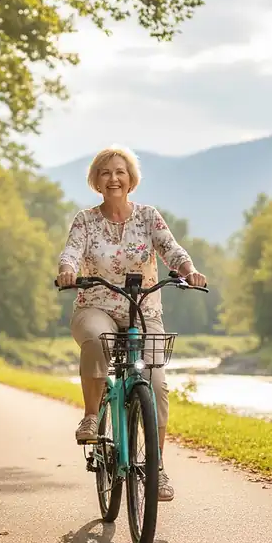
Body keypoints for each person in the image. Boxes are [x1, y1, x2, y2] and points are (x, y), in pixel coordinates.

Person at [56, 146, 206, 502]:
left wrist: (189, 271)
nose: (114, 179)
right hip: (96, 304)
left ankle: (156, 466)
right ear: (96, 180)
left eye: (120, 172)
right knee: (96, 337)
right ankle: (92, 417)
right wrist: (67, 271)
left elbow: (172, 249)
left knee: (155, 383)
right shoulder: (85, 220)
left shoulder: (148, 217)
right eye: (106, 173)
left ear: (131, 179)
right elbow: (72, 252)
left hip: (143, 310)